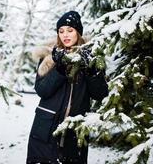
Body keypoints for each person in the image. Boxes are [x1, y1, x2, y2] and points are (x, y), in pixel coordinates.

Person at [26, 11, 109, 164]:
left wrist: (91, 70)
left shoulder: (90, 57)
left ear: (78, 32)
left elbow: (100, 94)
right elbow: (42, 90)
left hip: (74, 130)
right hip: (45, 129)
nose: (65, 35)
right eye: (61, 31)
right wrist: (59, 69)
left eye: (70, 30)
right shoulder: (49, 57)